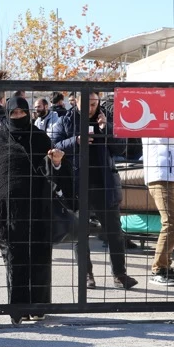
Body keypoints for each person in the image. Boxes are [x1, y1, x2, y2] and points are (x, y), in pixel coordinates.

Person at [0, 96, 69, 325]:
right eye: (13, 113)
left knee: (39, 257)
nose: (18, 116)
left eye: (22, 112)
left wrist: (57, 162)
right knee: (14, 258)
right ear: (7, 114)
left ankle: (38, 306)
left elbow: (52, 171)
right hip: (7, 210)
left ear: (28, 113)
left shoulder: (40, 139)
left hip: (38, 206)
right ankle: (17, 308)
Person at [52, 92, 138, 290]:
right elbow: (54, 146)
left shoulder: (106, 118)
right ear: (76, 102)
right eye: (87, 104)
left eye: (94, 103)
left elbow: (122, 148)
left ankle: (120, 274)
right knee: (81, 234)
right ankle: (87, 275)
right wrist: (76, 141)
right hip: (77, 186)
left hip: (104, 184)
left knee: (115, 232)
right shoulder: (66, 120)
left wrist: (105, 127)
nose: (91, 108)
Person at [142, 136, 174, 285]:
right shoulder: (159, 117)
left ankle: (166, 267)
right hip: (162, 176)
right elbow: (162, 138)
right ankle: (158, 269)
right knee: (171, 224)